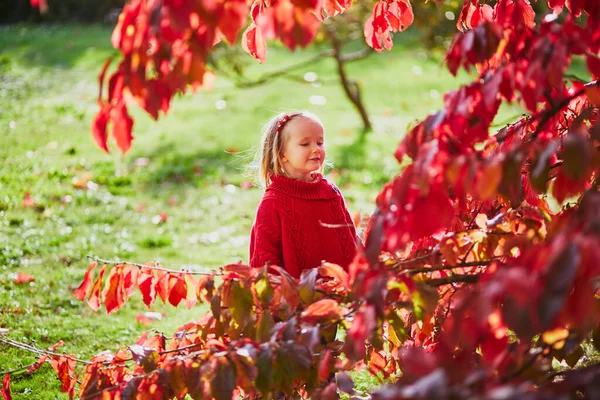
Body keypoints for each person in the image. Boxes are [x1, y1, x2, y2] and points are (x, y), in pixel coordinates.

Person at [249, 110, 358, 278]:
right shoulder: (273, 203)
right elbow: (265, 262)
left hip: (344, 295)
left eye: (320, 143)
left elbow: (351, 241)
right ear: (281, 153)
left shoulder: (330, 192)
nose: (316, 149)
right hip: (300, 299)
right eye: (305, 144)